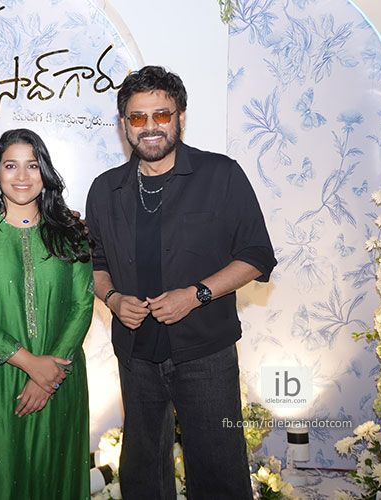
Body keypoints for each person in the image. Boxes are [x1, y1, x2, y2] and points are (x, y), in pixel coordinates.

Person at [85, 66, 277, 499]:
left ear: (180, 118)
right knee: (142, 475)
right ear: (124, 124)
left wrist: (196, 295)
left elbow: (256, 256)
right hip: (136, 355)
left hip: (205, 351)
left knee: (219, 472)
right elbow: (94, 264)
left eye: (161, 114)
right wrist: (113, 299)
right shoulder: (105, 190)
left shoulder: (221, 175)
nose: (150, 126)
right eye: (138, 117)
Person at [0, 128, 94, 499]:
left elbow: (83, 303)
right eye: (11, 166)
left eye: (32, 165)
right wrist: (30, 364)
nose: (22, 176)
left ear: (44, 171)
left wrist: (49, 375)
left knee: (54, 476)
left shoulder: (70, 232)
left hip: (60, 375)